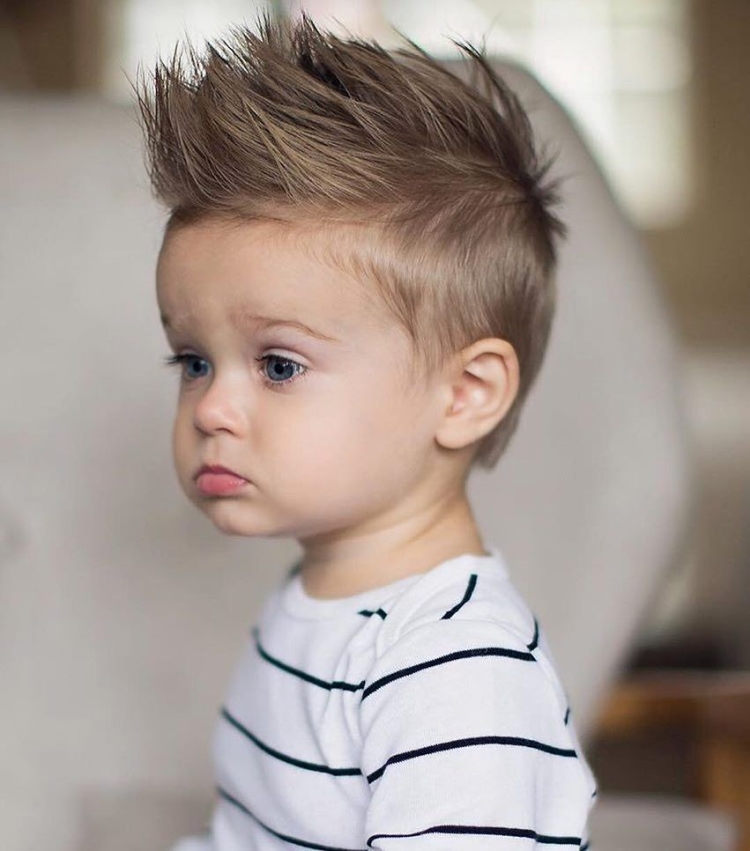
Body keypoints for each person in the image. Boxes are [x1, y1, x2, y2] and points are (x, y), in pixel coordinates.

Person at [133, 9, 598, 850]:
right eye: (193, 360)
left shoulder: (456, 666)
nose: (209, 408)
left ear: (465, 394)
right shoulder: (321, 607)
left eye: (279, 365)